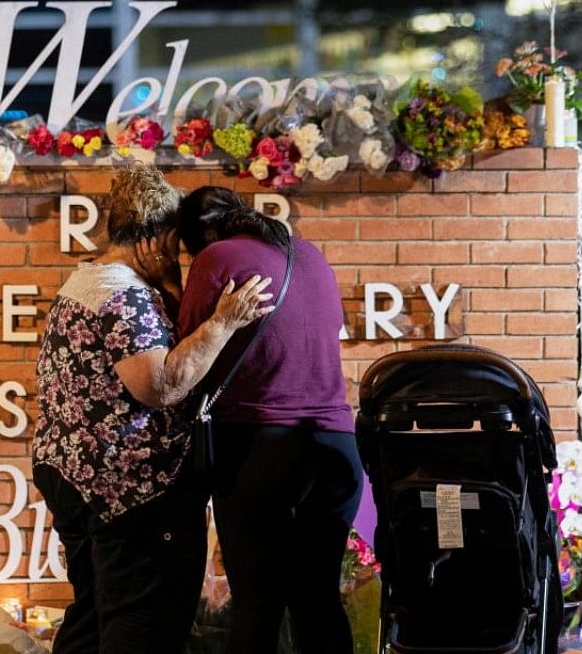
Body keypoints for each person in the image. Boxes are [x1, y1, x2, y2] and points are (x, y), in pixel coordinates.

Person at [32, 166, 274, 654]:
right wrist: (223, 322)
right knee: (144, 623)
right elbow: (161, 385)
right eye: (176, 241)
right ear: (156, 235)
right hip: (131, 490)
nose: (185, 254)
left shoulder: (87, 281)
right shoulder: (127, 298)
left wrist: (168, 282)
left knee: (93, 617)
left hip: (76, 477)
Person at [176, 186, 363, 654]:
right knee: (318, 599)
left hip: (260, 448)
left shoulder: (217, 257)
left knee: (258, 603)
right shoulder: (309, 255)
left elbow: (187, 355)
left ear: (202, 234)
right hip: (337, 446)